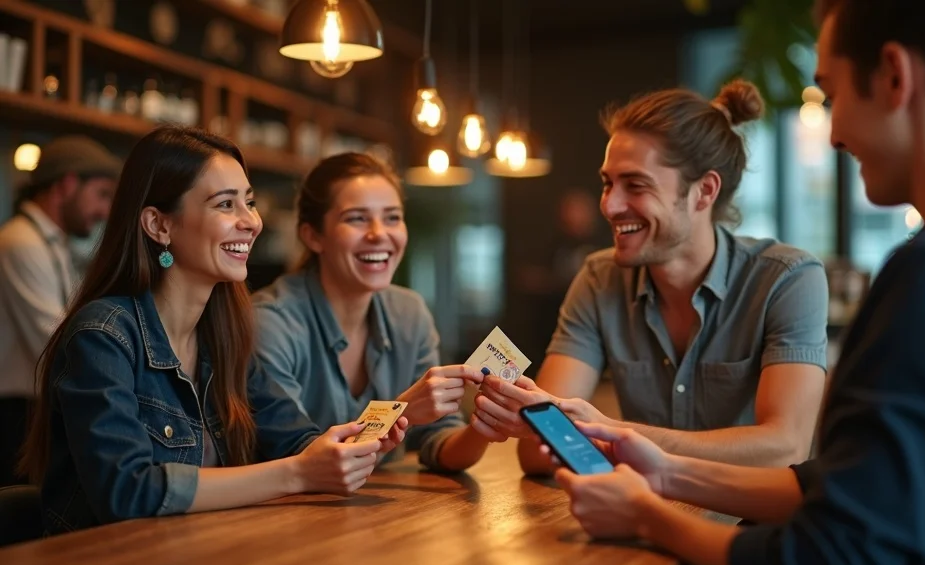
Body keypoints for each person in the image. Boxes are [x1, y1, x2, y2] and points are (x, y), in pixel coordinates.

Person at [549, 0, 925, 565]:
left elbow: (837, 555)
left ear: (895, 77)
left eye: (832, 94)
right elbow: (859, 486)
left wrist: (650, 517)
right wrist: (667, 473)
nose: (834, 135)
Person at [18, 126, 406, 535]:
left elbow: (297, 442)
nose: (251, 222)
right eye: (226, 204)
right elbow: (125, 492)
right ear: (158, 225)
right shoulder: (103, 335)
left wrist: (363, 442)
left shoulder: (223, 336)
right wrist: (297, 474)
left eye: (249, 202)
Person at [474, 80, 830, 471]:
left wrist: (610, 432)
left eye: (636, 185)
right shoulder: (598, 279)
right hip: (634, 512)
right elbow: (539, 450)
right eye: (608, 183)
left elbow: (784, 449)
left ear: (704, 192)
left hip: (750, 525)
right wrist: (592, 433)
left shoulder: (787, 280)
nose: (610, 205)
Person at [252, 153, 494, 473]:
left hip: (378, 517)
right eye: (357, 218)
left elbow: (437, 442)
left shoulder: (409, 313)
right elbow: (307, 460)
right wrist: (403, 409)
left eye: (392, 217)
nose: (379, 233)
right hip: (280, 516)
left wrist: (485, 424)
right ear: (313, 236)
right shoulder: (269, 322)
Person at [0, 135, 120, 486]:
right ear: (67, 184)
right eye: (101, 194)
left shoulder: (51, 242)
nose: (105, 210)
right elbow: (54, 341)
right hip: (16, 412)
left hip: (31, 407)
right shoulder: (20, 242)